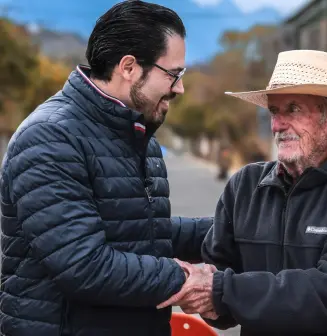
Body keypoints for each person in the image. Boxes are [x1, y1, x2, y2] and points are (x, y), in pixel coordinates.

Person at [0, 1, 213, 335]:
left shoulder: (138, 134)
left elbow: (140, 231)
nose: (179, 88)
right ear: (128, 67)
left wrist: (233, 228)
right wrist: (186, 278)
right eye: (174, 74)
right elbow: (83, 265)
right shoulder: (50, 136)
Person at [157, 50, 327, 336]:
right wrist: (209, 296)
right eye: (274, 111)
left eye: (294, 109)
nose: (277, 125)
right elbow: (219, 296)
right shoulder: (245, 185)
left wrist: (221, 290)